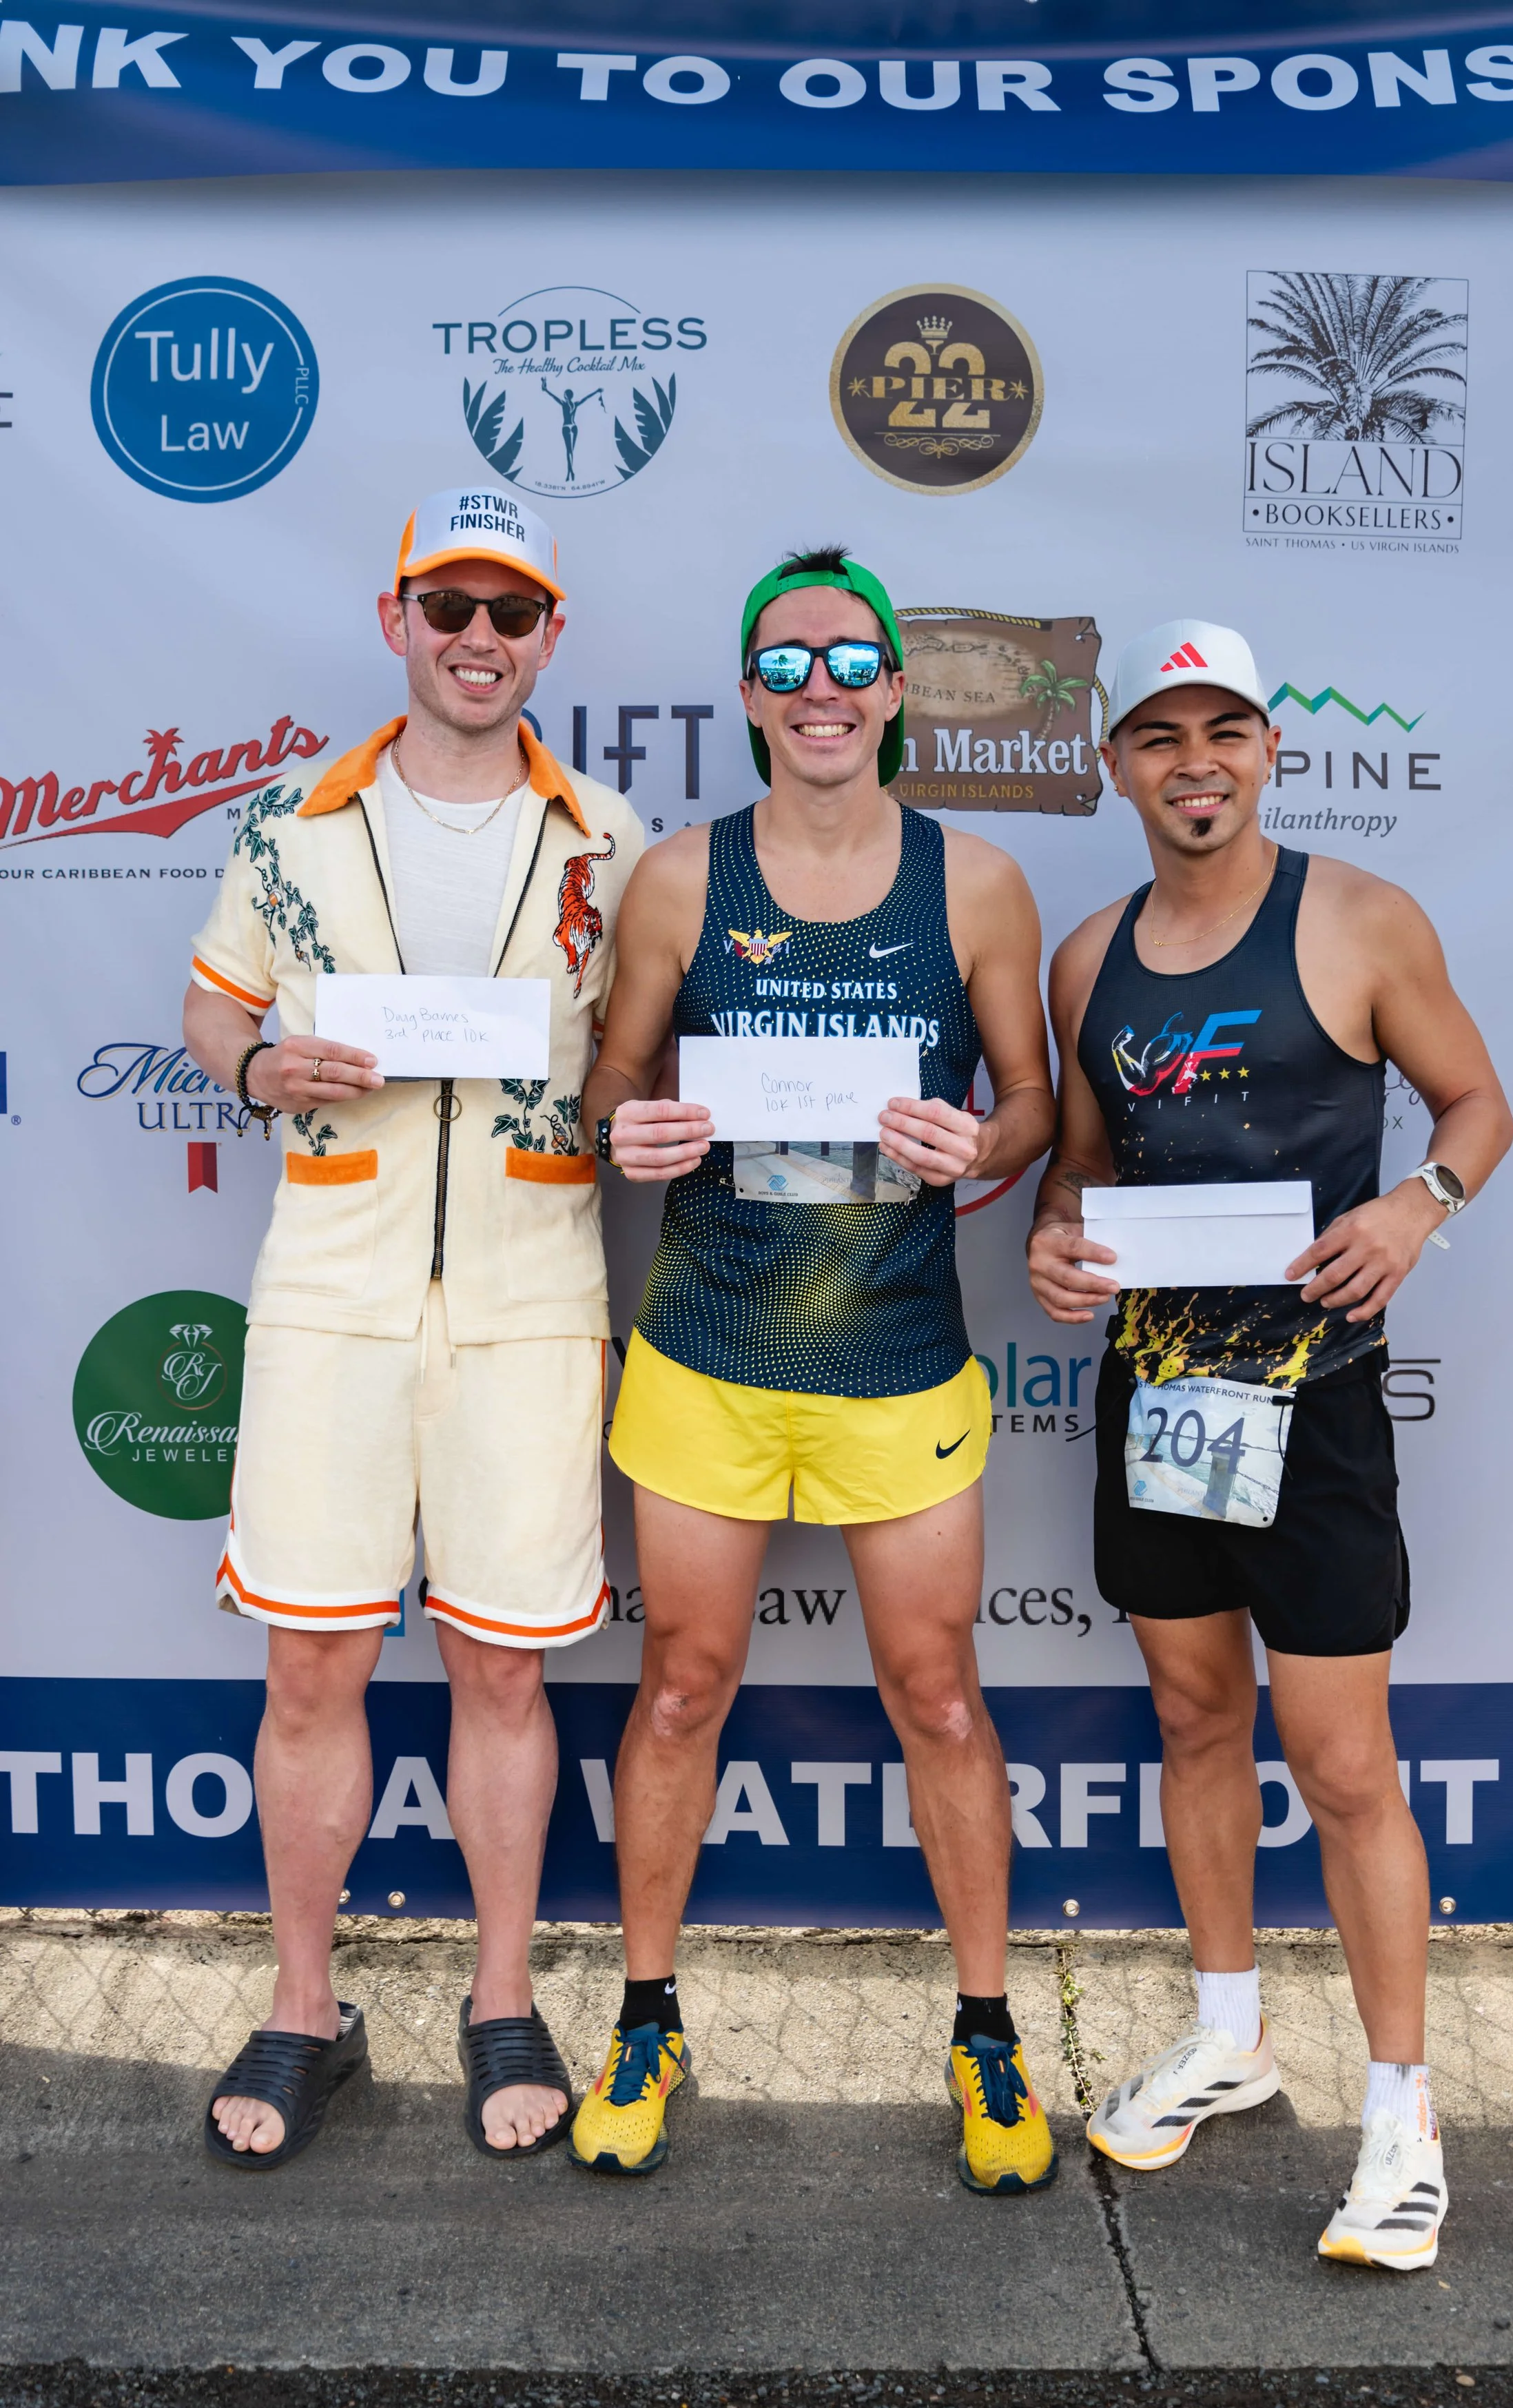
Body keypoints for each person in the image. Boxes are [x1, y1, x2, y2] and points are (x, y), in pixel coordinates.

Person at [1028, 618, 1512, 2270]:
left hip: (1311, 1411)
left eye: (1223, 729)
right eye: (1160, 737)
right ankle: (1229, 2031)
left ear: (1268, 748)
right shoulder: (1086, 959)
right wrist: (1051, 1240)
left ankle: (1401, 2112)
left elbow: (1477, 1107)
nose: (1195, 763)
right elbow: (1079, 1167)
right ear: (1116, 767)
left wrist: (1413, 1203)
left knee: (1344, 1765)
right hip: (1159, 1401)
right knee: (1190, 1715)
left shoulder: (1360, 920)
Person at [577, 548, 1060, 2192]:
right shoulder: (677, 882)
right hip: (706, 1350)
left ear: (895, 687)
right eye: (785, 666)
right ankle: (647, 2014)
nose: (822, 690)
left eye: (850, 660)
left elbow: (1035, 1107)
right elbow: (611, 1085)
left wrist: (974, 1142)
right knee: (681, 1690)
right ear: (747, 695)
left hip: (897, 1364)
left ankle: (987, 2034)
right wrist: (622, 1128)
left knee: (937, 1696)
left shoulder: (976, 883)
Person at [181, 486, 644, 2170]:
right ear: (395, 622)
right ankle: (306, 2004)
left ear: (547, 637)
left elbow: (639, 1051)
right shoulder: (292, 820)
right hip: (333, 1282)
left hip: (531, 1288)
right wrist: (251, 1069)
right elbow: (212, 1003)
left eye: (508, 612)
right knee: (311, 1660)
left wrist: (634, 1108)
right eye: (445, 606)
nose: (475, 638)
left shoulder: (611, 832)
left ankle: (499, 1998)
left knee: (500, 1665)